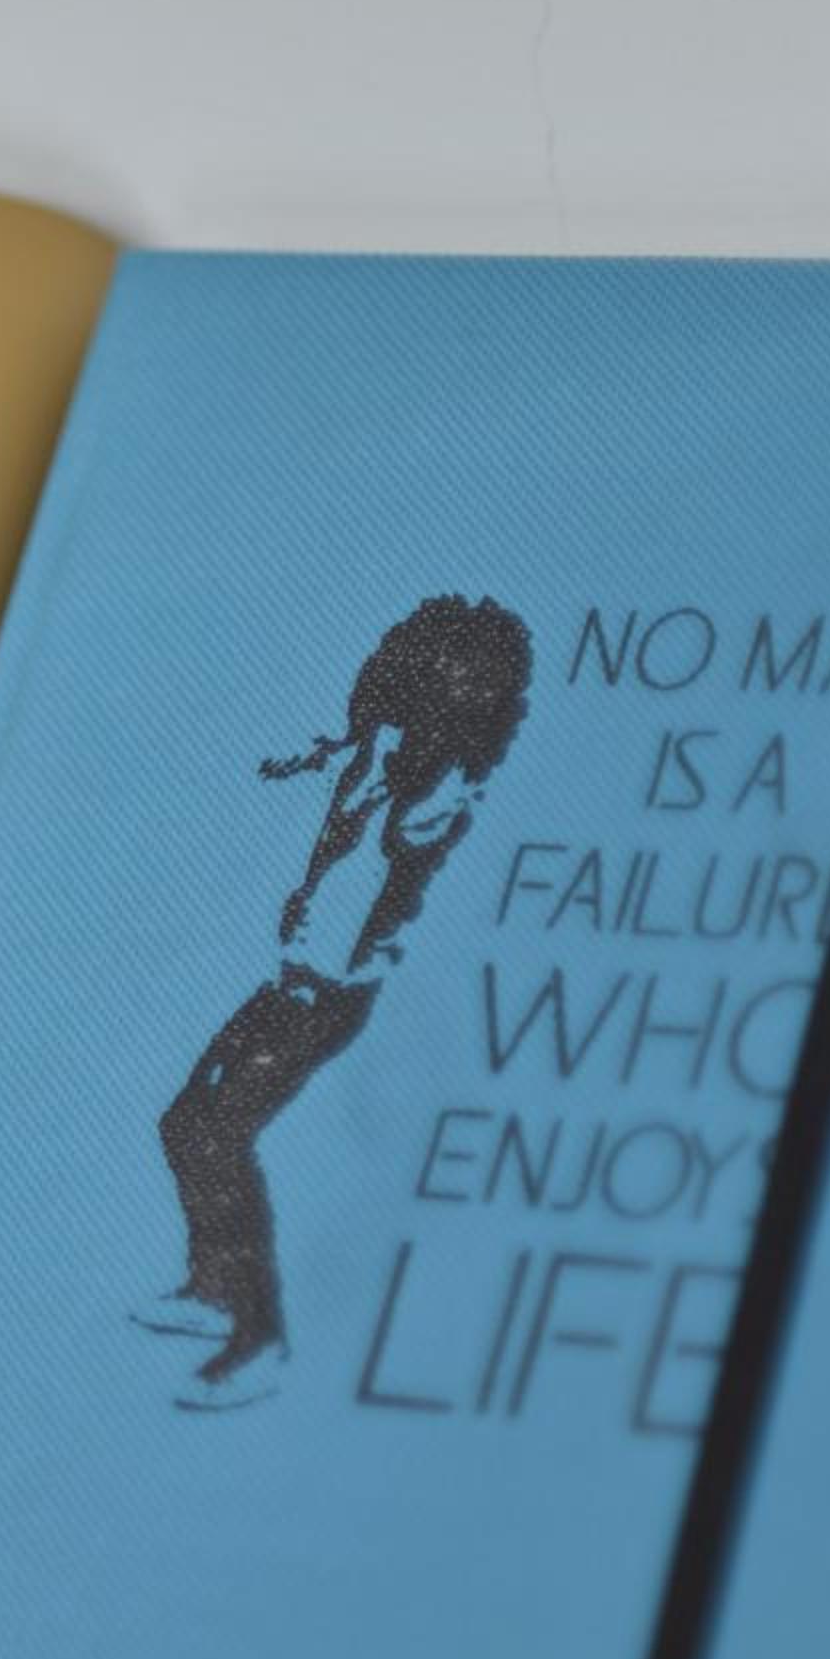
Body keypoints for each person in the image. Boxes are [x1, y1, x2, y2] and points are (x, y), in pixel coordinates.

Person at [142, 594, 534, 1411]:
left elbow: (395, 838)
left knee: (216, 1133)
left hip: (327, 991)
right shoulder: (384, 754)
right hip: (298, 974)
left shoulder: (439, 788)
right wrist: (334, 757)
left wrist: (370, 769)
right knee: (187, 1123)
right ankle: (214, 1288)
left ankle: (259, 1337)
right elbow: (341, 763)